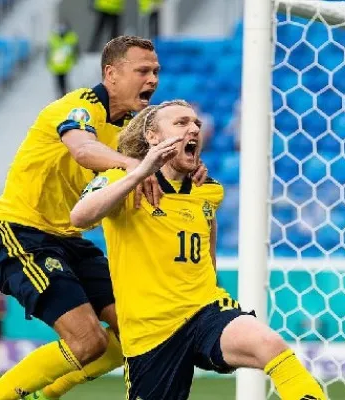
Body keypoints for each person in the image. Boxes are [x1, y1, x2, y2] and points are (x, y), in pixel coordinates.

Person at [0, 36, 207, 400]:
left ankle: (42, 395)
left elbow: (164, 165)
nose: (152, 79)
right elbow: (84, 150)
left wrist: (190, 167)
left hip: (71, 241)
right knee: (88, 340)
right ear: (111, 74)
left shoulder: (132, 129)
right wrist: (136, 166)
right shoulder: (77, 108)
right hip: (19, 233)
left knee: (136, 328)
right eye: (143, 71)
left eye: (156, 71)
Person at [69, 101, 327, 400]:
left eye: (196, 124)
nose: (193, 128)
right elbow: (80, 217)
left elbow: (208, 245)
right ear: (152, 136)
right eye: (181, 123)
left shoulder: (208, 190)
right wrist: (137, 174)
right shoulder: (121, 179)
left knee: (269, 345)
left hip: (204, 310)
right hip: (150, 333)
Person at [47, 23, 79, 98]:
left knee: (64, 80)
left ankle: (65, 94)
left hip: (66, 64)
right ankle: (62, 94)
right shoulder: (53, 39)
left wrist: (76, 58)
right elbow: (49, 51)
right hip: (56, 64)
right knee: (59, 81)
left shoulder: (71, 38)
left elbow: (75, 49)